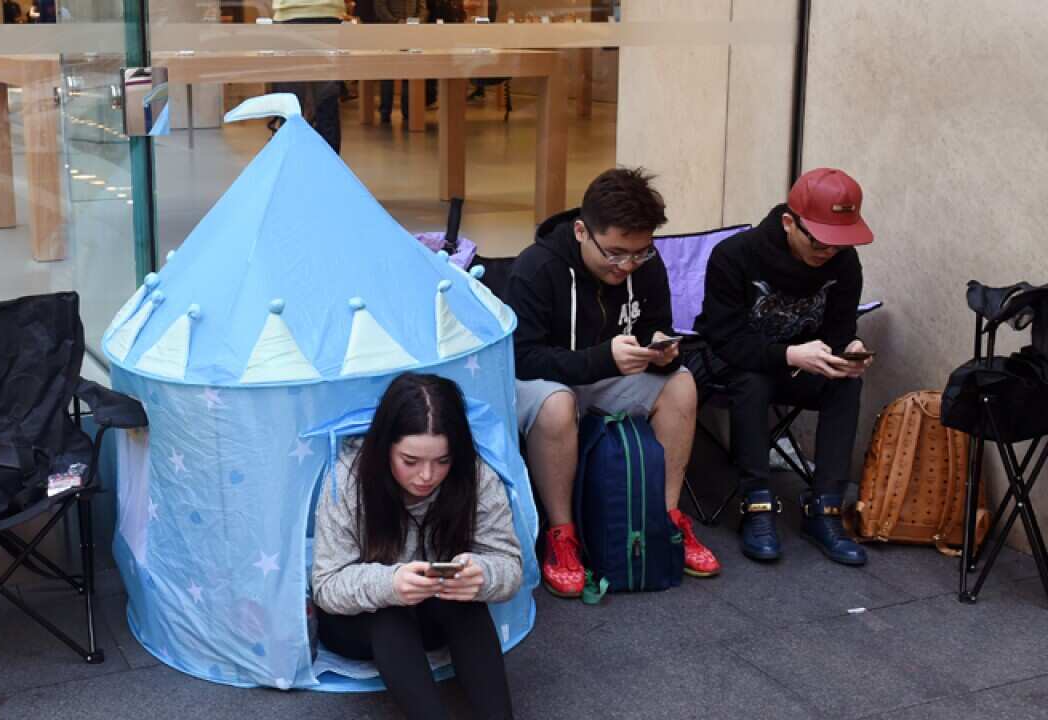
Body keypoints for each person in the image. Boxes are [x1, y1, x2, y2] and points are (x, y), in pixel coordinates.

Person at [504, 166, 719, 598]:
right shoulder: (536, 267)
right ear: (582, 231)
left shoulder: (647, 266)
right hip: (540, 383)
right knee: (556, 404)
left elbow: (655, 329)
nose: (627, 265)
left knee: (681, 384)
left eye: (639, 253)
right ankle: (561, 535)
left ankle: (665, 518)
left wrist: (661, 353)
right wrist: (601, 359)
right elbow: (521, 358)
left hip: (608, 374)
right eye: (616, 253)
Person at [311, 373, 520, 720]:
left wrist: (482, 575)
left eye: (442, 461)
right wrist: (390, 584)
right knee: (389, 615)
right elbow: (326, 585)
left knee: (464, 602)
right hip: (359, 624)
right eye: (410, 461)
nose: (426, 475)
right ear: (384, 448)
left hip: (435, 614)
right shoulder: (346, 480)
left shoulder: (476, 475)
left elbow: (510, 566)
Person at [694, 168, 875, 566]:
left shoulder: (844, 263)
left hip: (796, 367)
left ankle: (825, 508)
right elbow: (725, 340)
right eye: (820, 242)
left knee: (845, 384)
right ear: (789, 223)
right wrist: (790, 355)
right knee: (752, 378)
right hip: (727, 366)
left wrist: (849, 348)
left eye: (838, 244)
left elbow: (840, 327)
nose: (828, 252)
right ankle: (756, 504)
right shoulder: (735, 255)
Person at [268, 0, 345, 153]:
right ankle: (330, 170)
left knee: (290, 103)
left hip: (289, 15)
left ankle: (291, 167)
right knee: (326, 101)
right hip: (327, 14)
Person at [374, 0, 427, 125]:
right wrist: (395, 21)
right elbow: (380, 6)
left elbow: (423, 8)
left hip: (412, 32)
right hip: (389, 32)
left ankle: (408, 111)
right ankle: (385, 111)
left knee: (409, 73)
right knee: (387, 74)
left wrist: (415, 21)